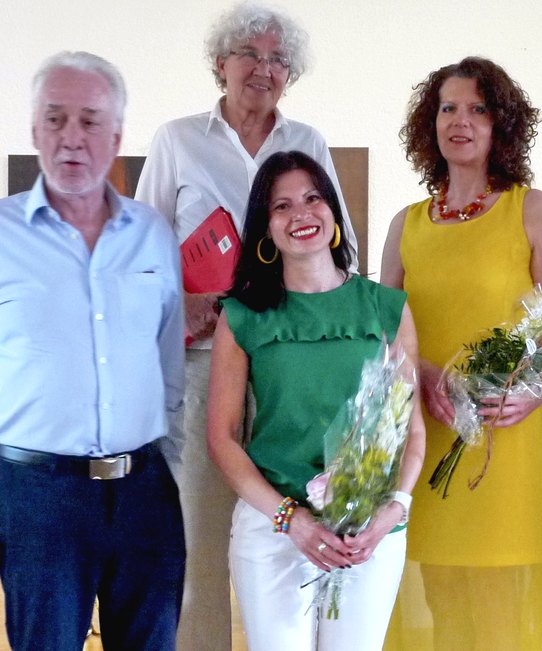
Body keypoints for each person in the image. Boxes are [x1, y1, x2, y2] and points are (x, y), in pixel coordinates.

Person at [0, 51, 186, 650]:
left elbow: (169, 373)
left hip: (145, 493)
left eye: (90, 120)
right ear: (34, 129)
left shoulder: (152, 233)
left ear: (116, 135)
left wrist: (167, 468)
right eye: (55, 119)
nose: (72, 138)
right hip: (38, 498)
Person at [134, 3, 359, 648]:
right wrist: (185, 303)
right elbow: (144, 257)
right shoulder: (178, 140)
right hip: (206, 363)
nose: (264, 69)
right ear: (220, 64)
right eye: (250, 55)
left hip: (292, 365)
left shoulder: (307, 142)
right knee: (198, 540)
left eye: (278, 59)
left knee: (292, 531)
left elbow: (340, 250)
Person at [381, 56, 542, 651]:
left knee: (497, 608)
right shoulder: (404, 225)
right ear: (429, 123)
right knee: (437, 598)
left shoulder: (530, 209)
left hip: (500, 435)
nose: (461, 121)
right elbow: (384, 332)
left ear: (501, 125)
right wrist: (423, 369)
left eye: (478, 109)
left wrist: (534, 390)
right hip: (423, 436)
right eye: (448, 108)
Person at [206, 151, 423, 651]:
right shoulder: (241, 316)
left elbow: (409, 428)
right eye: (281, 206)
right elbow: (222, 438)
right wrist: (291, 520)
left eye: (313, 198)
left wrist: (392, 511)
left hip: (368, 531)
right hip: (273, 527)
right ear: (265, 228)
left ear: (333, 213)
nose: (301, 214)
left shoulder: (386, 307)